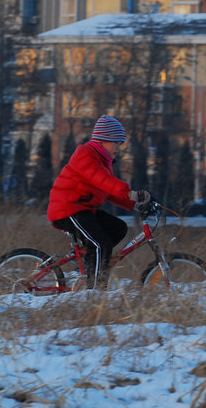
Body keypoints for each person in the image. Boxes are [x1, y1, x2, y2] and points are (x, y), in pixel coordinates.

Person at [47, 115, 150, 289]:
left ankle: (89, 259)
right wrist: (130, 193)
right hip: (67, 209)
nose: (119, 147)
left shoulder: (103, 161)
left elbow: (109, 192)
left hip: (82, 209)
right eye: (116, 142)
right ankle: (95, 292)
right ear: (102, 141)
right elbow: (103, 181)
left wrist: (136, 204)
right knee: (101, 243)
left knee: (118, 228)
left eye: (121, 143)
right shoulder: (85, 156)